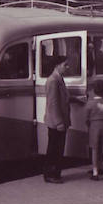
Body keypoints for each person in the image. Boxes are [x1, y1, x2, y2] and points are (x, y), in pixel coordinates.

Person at [43, 55, 73, 184]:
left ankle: (55, 173)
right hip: (56, 123)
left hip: (59, 121)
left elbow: (62, 98)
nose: (67, 67)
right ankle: (51, 174)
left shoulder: (59, 79)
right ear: (57, 65)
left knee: (58, 148)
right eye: (65, 65)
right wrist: (59, 122)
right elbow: (53, 103)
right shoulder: (53, 80)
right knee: (54, 149)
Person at [84, 79, 103, 180]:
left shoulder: (90, 103)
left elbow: (86, 118)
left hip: (94, 126)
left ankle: (95, 172)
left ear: (93, 90)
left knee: (95, 149)